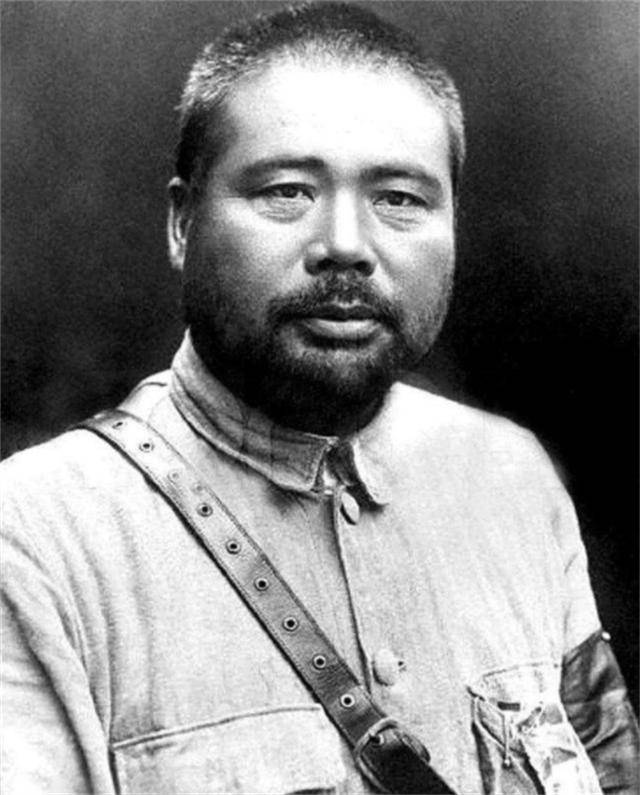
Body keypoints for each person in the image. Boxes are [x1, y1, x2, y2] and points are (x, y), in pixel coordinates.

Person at [1, 3, 637, 793]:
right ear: (181, 222)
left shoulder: (511, 477)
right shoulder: (35, 538)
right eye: (288, 191)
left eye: (399, 198)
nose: (345, 244)